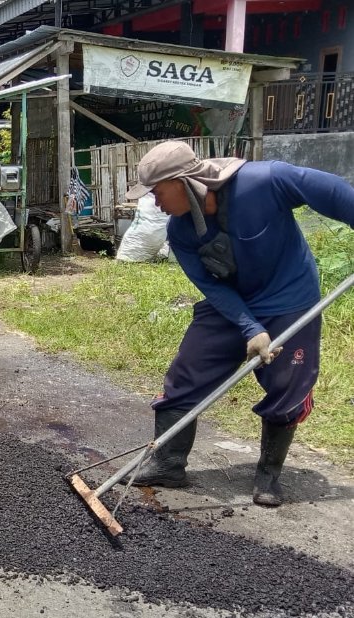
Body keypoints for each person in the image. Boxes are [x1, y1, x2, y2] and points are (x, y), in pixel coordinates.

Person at [125, 141, 354, 506]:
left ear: (183, 182)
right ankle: (168, 463)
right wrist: (251, 328)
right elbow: (213, 288)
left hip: (289, 299)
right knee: (188, 371)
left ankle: (268, 475)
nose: (155, 202)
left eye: (157, 191)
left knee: (287, 384)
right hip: (231, 304)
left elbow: (334, 192)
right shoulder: (181, 232)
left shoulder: (265, 181)